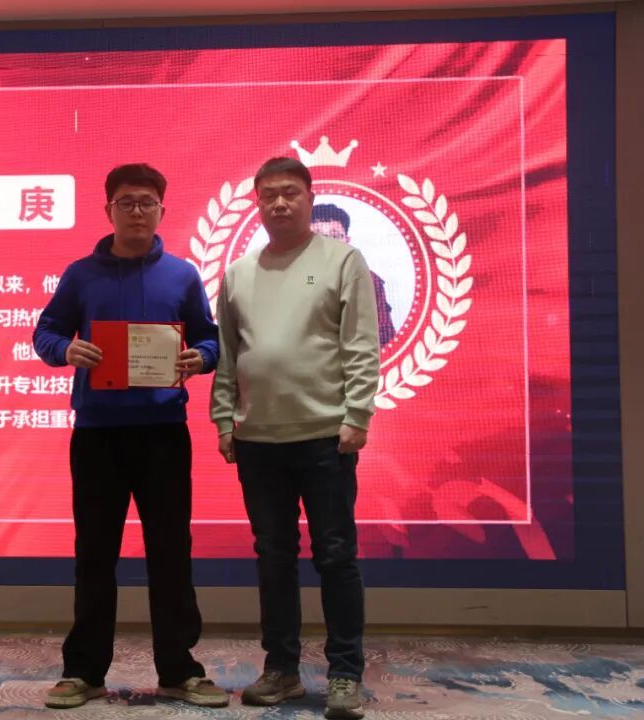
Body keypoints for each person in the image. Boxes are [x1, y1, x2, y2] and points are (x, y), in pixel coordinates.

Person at [33, 163, 227, 709]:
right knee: (95, 555)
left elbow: (211, 340)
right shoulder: (80, 275)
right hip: (98, 436)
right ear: (109, 210)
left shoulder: (182, 276)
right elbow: (45, 332)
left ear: (162, 210)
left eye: (146, 202)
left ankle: (179, 670)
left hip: (163, 435)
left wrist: (200, 357)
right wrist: (65, 350)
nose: (136, 211)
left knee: (171, 554)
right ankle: (83, 671)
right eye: (126, 202)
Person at [210, 157, 380, 719]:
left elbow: (360, 344)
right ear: (256, 204)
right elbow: (229, 354)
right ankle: (281, 669)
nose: (279, 203)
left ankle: (345, 674)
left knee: (336, 556)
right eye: (268, 195)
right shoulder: (239, 273)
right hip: (258, 440)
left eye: (290, 192)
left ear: (310, 197)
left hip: (326, 436)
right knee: (273, 558)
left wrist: (358, 414)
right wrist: (223, 418)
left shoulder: (342, 260)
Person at [310, 203, 397, 345]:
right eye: (319, 237)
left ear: (347, 241)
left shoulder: (369, 279)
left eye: (335, 236)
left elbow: (385, 333)